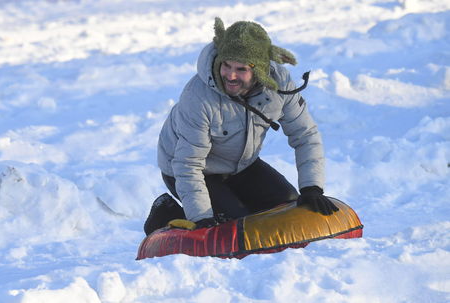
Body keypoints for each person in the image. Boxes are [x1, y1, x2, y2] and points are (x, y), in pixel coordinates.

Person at [144, 17, 338, 235]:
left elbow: (306, 135)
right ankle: (167, 214)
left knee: (287, 206)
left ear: (260, 71)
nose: (230, 75)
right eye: (226, 65)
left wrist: (312, 187)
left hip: (240, 166)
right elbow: (188, 164)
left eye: (241, 69)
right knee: (233, 228)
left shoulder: (280, 85)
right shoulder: (198, 98)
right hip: (186, 168)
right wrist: (202, 218)